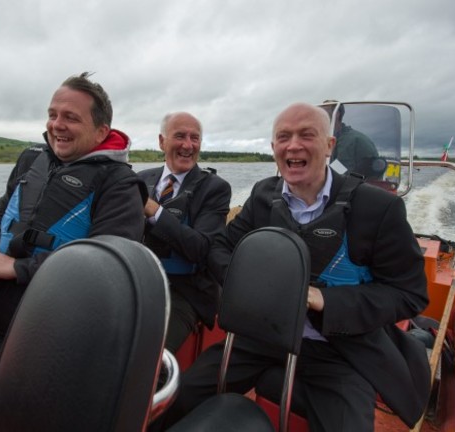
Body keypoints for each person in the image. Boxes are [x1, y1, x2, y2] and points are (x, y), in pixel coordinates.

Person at [163, 103, 430, 431]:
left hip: (339, 348)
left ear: (329, 145)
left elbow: (408, 293)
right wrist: (251, 284)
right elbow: (221, 247)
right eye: (283, 137)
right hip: (261, 336)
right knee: (179, 398)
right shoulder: (264, 195)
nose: (293, 145)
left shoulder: (378, 208)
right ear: (274, 148)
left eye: (307, 135)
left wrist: (322, 299)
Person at [0, 72, 147, 429]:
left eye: (70, 117)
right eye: (53, 114)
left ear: (101, 131)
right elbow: (3, 208)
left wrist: (19, 269)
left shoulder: (120, 185)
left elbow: (107, 270)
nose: (57, 125)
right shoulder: (31, 159)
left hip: (40, 333)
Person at [138, 112, 231, 353]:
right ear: (162, 142)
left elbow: (200, 248)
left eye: (195, 138)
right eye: (179, 136)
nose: (188, 145)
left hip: (185, 291)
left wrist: (154, 210)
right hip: (138, 281)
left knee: (148, 354)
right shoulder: (140, 179)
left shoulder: (215, 188)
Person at [323, 100, 381, 178]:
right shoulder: (339, 136)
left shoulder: (348, 140)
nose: (319, 115)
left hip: (362, 186)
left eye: (323, 112)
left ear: (336, 114)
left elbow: (340, 172)